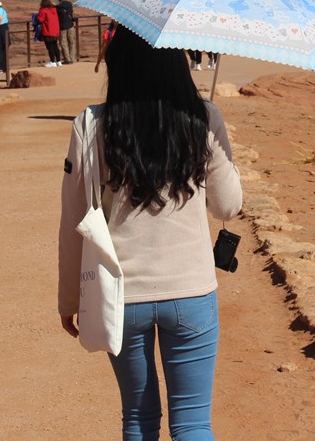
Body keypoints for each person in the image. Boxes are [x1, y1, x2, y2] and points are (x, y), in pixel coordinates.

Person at [58, 26, 242, 440]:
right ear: (177, 64)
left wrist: (70, 298)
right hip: (191, 290)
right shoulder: (203, 117)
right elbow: (228, 205)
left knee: (138, 420)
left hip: (123, 296)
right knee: (193, 423)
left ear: (119, 63)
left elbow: (74, 219)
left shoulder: (90, 125)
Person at [37, 0, 62, 67]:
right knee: (55, 46)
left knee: (50, 47)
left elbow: (40, 20)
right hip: (55, 31)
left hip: (48, 31)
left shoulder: (43, 10)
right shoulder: (54, 9)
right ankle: (59, 61)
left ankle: (52, 62)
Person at [56, 0, 76, 64]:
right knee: (72, 42)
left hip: (62, 27)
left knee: (63, 43)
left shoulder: (58, 6)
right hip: (70, 25)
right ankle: (72, 58)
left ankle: (67, 59)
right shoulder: (69, 4)